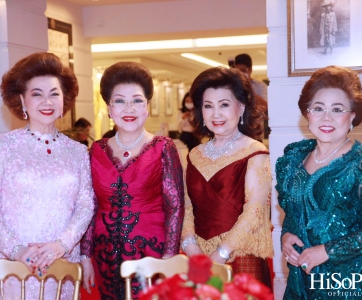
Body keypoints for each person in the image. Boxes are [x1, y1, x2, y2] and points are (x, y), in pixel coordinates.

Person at [0, 52, 95, 299]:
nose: (47, 102)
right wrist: (18, 250)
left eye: (54, 94)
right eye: (36, 94)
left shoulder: (78, 152)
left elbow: (85, 206)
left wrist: (61, 245)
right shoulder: (1, 147)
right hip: (14, 264)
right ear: (22, 100)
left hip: (62, 262)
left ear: (65, 100)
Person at [276, 66, 362, 299]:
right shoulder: (293, 158)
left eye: (337, 109)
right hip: (300, 281)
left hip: (350, 282)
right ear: (307, 113)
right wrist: (287, 236)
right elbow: (292, 212)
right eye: (318, 108)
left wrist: (328, 251)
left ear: (352, 116)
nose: (326, 117)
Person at [80, 61, 185, 299]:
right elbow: (90, 206)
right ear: (109, 107)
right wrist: (85, 256)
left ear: (147, 106)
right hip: (104, 253)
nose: (129, 108)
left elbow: (175, 206)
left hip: (151, 252)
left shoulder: (163, 148)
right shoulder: (95, 150)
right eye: (119, 100)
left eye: (137, 100)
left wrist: (169, 259)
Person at [181, 67, 274, 288]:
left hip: (241, 258)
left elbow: (255, 211)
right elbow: (186, 205)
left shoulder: (255, 152)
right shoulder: (195, 154)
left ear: (241, 107)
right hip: (199, 258)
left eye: (224, 105)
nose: (216, 114)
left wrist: (221, 254)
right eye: (208, 106)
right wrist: (190, 246)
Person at [234, 53, 269, 140]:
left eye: (243, 70)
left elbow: (264, 106)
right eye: (237, 70)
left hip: (255, 134)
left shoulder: (260, 86)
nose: (240, 73)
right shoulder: (232, 87)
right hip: (235, 134)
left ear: (250, 70)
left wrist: (248, 87)